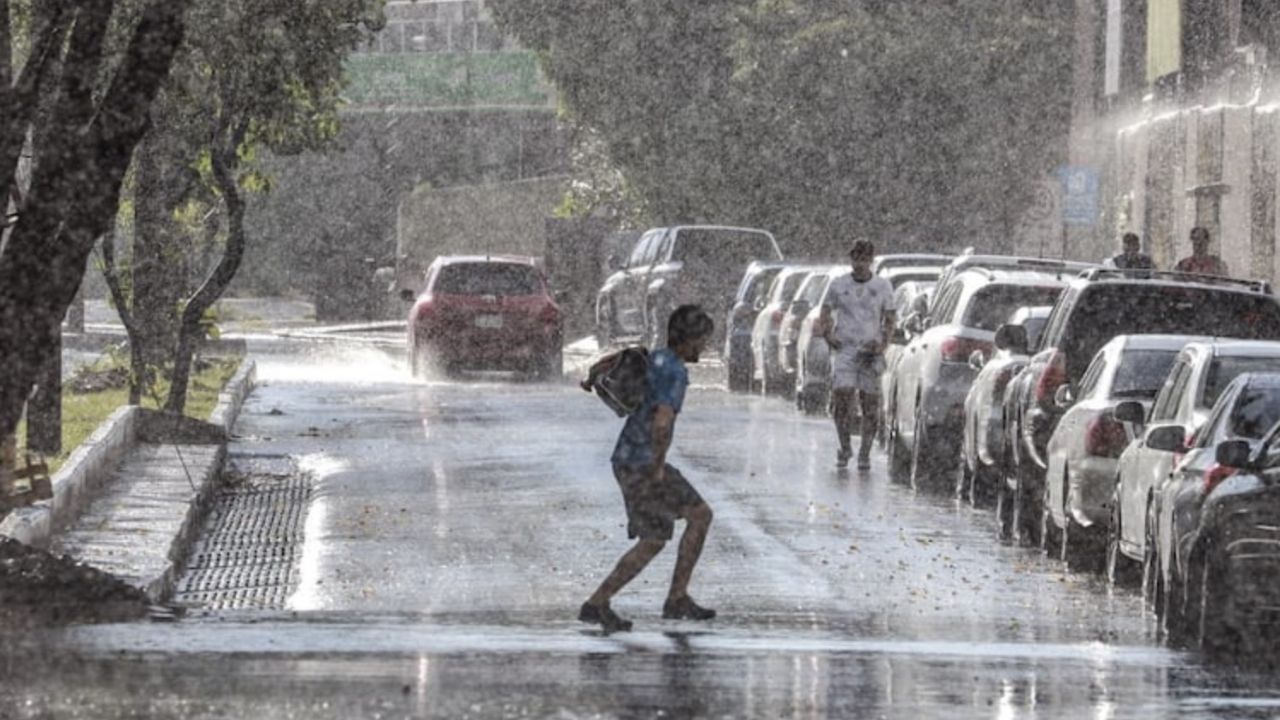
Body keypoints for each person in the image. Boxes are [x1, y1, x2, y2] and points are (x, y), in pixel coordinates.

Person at [579, 305, 717, 633]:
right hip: (642, 463)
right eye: (702, 339)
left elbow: (612, 362)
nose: (704, 346)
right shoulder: (675, 371)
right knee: (658, 537)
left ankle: (673, 597)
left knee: (693, 518)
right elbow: (662, 422)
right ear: (688, 339)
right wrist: (657, 467)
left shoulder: (657, 358)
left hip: (629, 458)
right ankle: (600, 603)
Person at [818, 240, 895, 470]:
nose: (859, 264)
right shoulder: (839, 284)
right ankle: (845, 446)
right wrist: (829, 335)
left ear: (871, 260)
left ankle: (865, 453)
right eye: (856, 259)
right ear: (851, 259)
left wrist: (883, 344)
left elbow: (890, 317)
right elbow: (825, 311)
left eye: (864, 259)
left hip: (870, 351)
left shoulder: (882, 286)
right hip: (846, 348)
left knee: (869, 403)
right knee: (841, 398)